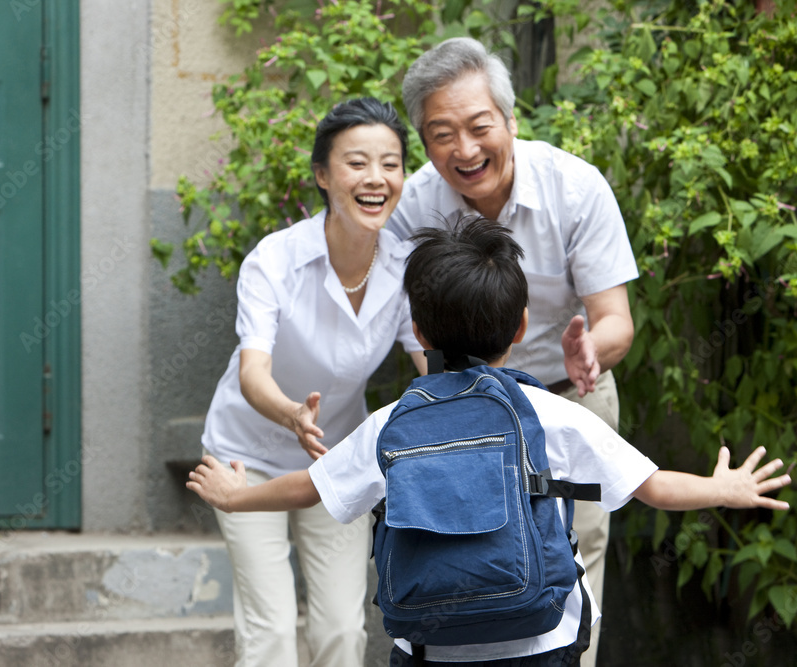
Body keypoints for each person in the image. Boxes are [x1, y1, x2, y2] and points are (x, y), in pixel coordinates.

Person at [187, 218, 792, 666]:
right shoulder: (548, 412)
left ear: (418, 329)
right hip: (539, 639)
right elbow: (653, 487)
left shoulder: (394, 420)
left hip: (429, 643)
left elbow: (309, 487)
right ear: (521, 326)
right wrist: (723, 487)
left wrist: (238, 497)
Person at [387, 37, 638, 666]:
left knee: (575, 562)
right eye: (442, 134)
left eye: (479, 127)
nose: (465, 150)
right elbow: (412, 324)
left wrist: (590, 353)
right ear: (423, 142)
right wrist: (443, 397)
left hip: (567, 391)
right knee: (463, 553)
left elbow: (614, 321)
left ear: (510, 120)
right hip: (459, 400)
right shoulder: (414, 203)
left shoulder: (574, 188)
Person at [200, 97, 427, 667]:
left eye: (390, 163)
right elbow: (253, 372)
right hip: (243, 458)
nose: (376, 178)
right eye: (357, 163)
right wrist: (291, 414)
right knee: (271, 634)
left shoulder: (403, 269)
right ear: (323, 176)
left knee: (342, 635)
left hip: (336, 459)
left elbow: (432, 364)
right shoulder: (274, 261)